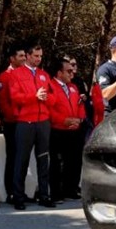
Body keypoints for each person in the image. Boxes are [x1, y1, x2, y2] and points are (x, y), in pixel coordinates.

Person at [9, 43, 53, 209]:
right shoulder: (17, 74)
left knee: (43, 160)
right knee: (21, 160)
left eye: (40, 56)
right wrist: (33, 97)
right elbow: (15, 97)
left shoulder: (44, 75)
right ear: (27, 56)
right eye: (36, 56)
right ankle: (18, 197)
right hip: (25, 122)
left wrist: (46, 98)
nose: (38, 59)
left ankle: (44, 195)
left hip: (43, 122)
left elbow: (52, 96)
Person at [47, 56, 85, 201]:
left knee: (74, 161)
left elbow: (80, 105)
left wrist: (79, 119)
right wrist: (64, 121)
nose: (72, 73)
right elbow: (49, 109)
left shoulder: (73, 87)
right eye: (68, 71)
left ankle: (71, 189)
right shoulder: (50, 86)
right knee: (57, 162)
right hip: (58, 130)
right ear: (59, 73)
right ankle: (56, 192)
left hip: (74, 129)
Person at [0, 46, 26, 204]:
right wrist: (14, 116)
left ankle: (19, 190)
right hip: (12, 123)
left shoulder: (25, 75)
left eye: (24, 55)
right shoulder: (4, 78)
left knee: (22, 158)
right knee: (13, 157)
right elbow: (3, 103)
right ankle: (11, 191)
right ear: (12, 59)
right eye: (20, 55)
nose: (23, 58)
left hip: (25, 122)